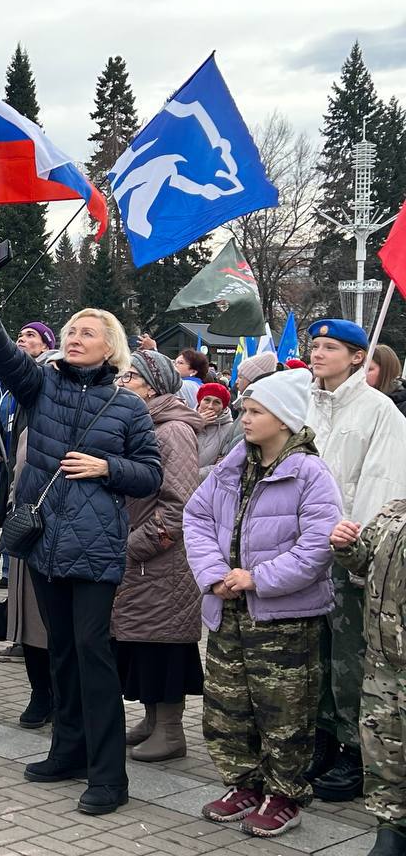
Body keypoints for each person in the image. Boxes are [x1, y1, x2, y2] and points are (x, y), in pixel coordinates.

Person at [0, 249, 162, 817]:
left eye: (88, 333)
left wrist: (106, 467)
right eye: (72, 330)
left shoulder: (128, 407)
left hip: (95, 550)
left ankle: (109, 776)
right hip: (44, 540)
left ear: (111, 347)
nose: (75, 338)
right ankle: (68, 751)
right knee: (61, 654)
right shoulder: (42, 387)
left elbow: (152, 474)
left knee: (93, 656)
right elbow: (3, 354)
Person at [183, 367, 341, 837]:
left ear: (284, 418)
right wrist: (214, 576)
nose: (245, 419)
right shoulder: (233, 465)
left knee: (284, 712)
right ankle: (244, 784)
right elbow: (196, 516)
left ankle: (284, 795)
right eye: (245, 410)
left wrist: (257, 579)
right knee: (227, 707)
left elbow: (318, 547)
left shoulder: (310, 473)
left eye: (255, 412)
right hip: (228, 610)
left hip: (285, 619)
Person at [305, 319, 406, 802]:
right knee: (314, 653)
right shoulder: (305, 403)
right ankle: (322, 736)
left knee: (350, 658)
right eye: (315, 345)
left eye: (330, 347)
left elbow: (382, 483)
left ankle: (354, 749)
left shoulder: (378, 411)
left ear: (357, 357)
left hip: (347, 554)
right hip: (304, 552)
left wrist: (360, 553)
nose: (318, 353)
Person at [109, 350, 204, 762]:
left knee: (162, 645)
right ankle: (151, 720)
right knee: (142, 644)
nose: (122, 382)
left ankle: (170, 730)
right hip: (142, 560)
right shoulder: (144, 423)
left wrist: (133, 546)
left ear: (152, 386)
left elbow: (179, 505)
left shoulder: (173, 430)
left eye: (130, 377)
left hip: (161, 562)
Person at [0, 323, 60, 729]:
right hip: (28, 526)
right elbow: (19, 469)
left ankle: (62, 697)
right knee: (29, 619)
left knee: (57, 625)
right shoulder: (29, 413)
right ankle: (39, 692)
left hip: (67, 533)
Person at [330, 501, 406, 856]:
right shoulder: (393, 512)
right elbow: (362, 562)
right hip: (382, 664)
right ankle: (390, 831)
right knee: (382, 752)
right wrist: (347, 546)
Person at [228, 351, 278, 449]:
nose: (236, 381)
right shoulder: (241, 406)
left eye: (240, 377)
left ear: (252, 381)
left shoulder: (264, 407)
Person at [196, 382, 234, 480]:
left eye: (217, 402)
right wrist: (196, 423)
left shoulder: (229, 429)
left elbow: (224, 464)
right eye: (207, 400)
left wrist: (194, 476)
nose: (210, 406)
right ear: (200, 401)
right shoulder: (186, 420)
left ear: (223, 407)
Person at [366, 345, 406, 417]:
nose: (363, 373)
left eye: (369, 369)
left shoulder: (401, 407)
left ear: (386, 371)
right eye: (360, 368)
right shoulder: (356, 397)